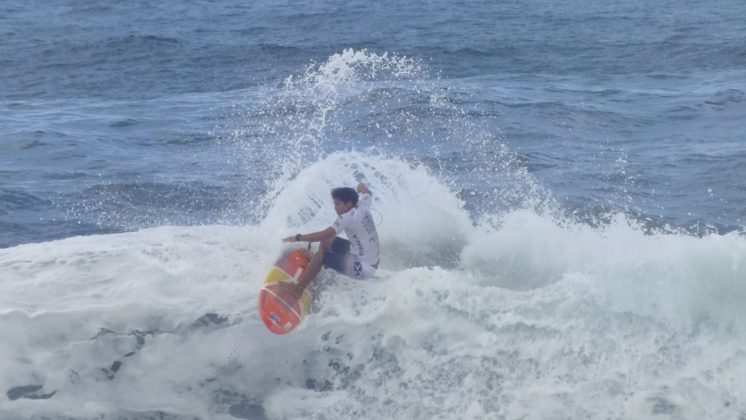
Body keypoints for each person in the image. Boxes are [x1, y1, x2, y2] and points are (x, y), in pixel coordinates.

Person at [281, 183, 380, 297]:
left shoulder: (347, 217)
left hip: (363, 269)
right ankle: (316, 268)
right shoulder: (363, 203)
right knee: (327, 240)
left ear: (349, 204)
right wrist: (361, 187)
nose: (335, 207)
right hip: (366, 258)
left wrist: (296, 238)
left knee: (321, 254)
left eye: (338, 204)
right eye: (335, 203)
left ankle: (298, 290)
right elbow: (367, 192)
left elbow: (321, 235)